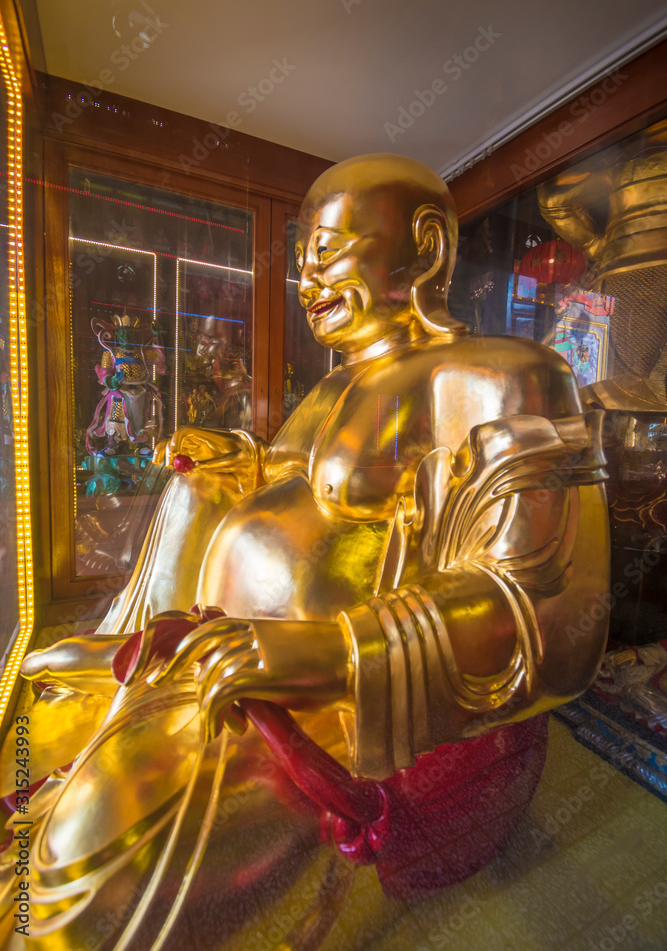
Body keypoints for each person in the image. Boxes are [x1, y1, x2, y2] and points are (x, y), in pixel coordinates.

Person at [1, 155, 609, 950]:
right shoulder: (328, 390)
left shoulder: (499, 375)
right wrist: (238, 465)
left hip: (348, 717)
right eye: (298, 263)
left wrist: (325, 653)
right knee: (40, 730)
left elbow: (558, 622)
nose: (305, 279)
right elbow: (313, 502)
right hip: (223, 658)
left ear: (423, 247)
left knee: (77, 868)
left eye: (325, 252)